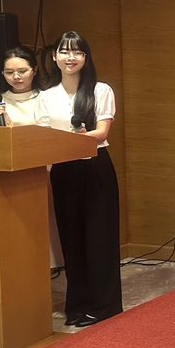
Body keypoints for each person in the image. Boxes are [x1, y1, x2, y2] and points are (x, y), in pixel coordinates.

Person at [40, 32, 121, 327]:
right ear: (54, 57)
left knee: (100, 237)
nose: (70, 57)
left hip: (95, 167)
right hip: (63, 170)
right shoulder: (46, 96)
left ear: (86, 58)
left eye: (77, 52)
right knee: (71, 238)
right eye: (64, 51)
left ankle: (105, 306)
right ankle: (77, 306)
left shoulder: (101, 90)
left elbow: (102, 132)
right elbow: (42, 135)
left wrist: (77, 140)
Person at [0, 45, 49, 127]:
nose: (16, 77)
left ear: (35, 70)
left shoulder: (46, 97)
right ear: (2, 73)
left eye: (22, 71)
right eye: (9, 72)